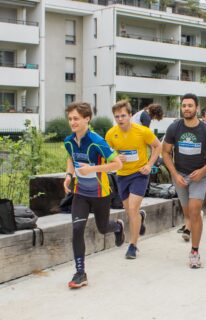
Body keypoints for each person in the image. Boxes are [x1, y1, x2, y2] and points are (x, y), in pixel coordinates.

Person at [63, 102, 125, 288]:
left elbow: (117, 164)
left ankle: (118, 226)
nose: (72, 122)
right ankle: (80, 273)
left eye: (76, 118)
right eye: (70, 119)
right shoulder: (69, 141)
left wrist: (93, 168)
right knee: (76, 229)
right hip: (80, 193)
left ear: (87, 119)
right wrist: (68, 175)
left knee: (102, 227)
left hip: (100, 193)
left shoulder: (97, 141)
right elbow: (71, 158)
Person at [162, 93, 206, 269]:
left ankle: (194, 251)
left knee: (194, 212)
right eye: (184, 105)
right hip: (180, 175)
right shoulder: (175, 127)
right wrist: (175, 174)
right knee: (188, 214)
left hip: (199, 176)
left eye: (190, 105)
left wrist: (203, 171)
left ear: (196, 108)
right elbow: (165, 152)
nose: (186, 108)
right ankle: (196, 219)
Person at [106, 100, 162, 259]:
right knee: (130, 210)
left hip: (140, 174)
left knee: (132, 208)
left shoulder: (142, 131)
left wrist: (150, 165)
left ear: (130, 115)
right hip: (122, 176)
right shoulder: (111, 134)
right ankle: (141, 217)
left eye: (123, 115)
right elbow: (106, 154)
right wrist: (116, 157)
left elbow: (157, 146)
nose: (120, 119)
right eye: (117, 116)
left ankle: (133, 246)